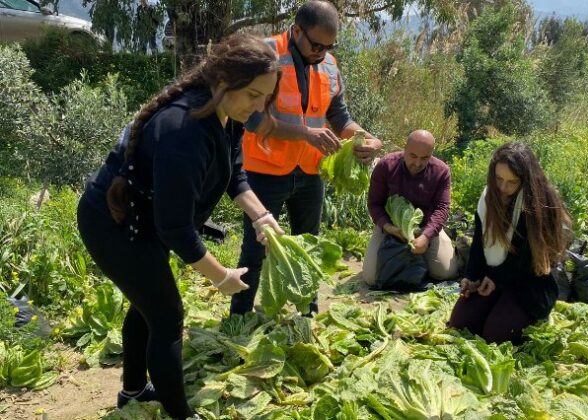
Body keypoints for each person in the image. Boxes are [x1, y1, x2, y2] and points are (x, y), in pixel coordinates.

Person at [76, 34, 282, 419]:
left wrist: (262, 215)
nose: (260, 106)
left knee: (147, 306)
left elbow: (234, 176)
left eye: (266, 97)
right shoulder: (183, 130)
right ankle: (180, 414)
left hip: (146, 220)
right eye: (254, 94)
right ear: (223, 81)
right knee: (167, 316)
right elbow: (175, 228)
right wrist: (220, 276)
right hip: (113, 223)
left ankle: (133, 391)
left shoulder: (227, 114)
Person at [231, 0, 382, 315]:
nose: (322, 52)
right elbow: (252, 120)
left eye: (329, 46)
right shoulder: (266, 55)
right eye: (316, 45)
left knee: (309, 245)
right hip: (265, 171)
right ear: (296, 30)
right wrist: (304, 133)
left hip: (310, 171)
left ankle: (307, 312)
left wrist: (364, 137)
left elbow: (340, 118)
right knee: (255, 248)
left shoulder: (329, 65)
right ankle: (240, 316)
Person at [447, 142, 571, 344]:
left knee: (496, 336)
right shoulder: (489, 196)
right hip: (496, 276)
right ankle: (496, 304)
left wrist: (496, 278)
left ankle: (519, 313)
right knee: (460, 323)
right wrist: (472, 277)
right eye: (499, 179)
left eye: (512, 182)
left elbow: (526, 259)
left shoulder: (538, 205)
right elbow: (479, 243)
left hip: (528, 283)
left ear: (526, 180)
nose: (503, 188)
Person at [362, 130, 458, 285]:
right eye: (413, 156)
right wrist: (387, 227)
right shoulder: (386, 166)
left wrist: (426, 236)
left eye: (424, 158)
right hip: (392, 228)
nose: (418, 163)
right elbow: (374, 204)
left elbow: (442, 208)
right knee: (371, 279)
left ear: (431, 154)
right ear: (404, 149)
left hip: (427, 227)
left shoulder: (441, 171)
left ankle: (422, 257)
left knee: (446, 272)